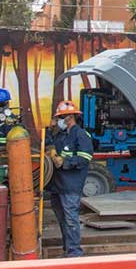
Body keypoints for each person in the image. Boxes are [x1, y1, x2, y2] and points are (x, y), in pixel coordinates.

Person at [46, 100, 93, 258]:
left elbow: (85, 158)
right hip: (58, 185)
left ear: (70, 117)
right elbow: (48, 144)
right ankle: (68, 250)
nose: (58, 120)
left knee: (71, 219)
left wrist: (64, 162)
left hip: (71, 185)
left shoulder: (80, 134)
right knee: (62, 219)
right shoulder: (60, 135)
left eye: (61, 117)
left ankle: (75, 253)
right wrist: (51, 128)